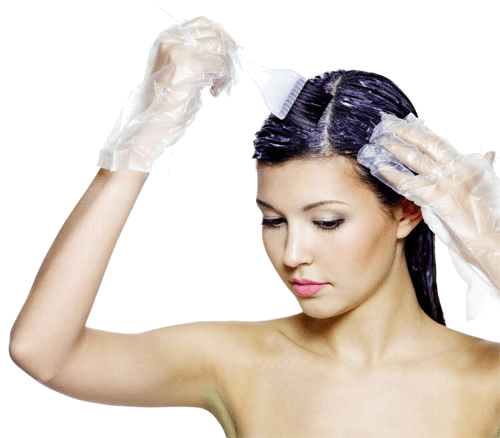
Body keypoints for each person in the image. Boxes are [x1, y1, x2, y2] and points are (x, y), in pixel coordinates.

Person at [9, 17, 500, 437]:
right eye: (273, 220)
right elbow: (43, 351)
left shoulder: (486, 381)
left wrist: (491, 245)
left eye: (327, 221)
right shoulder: (237, 361)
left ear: (407, 212)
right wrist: (141, 139)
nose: (292, 253)